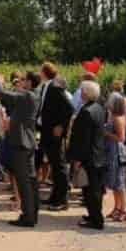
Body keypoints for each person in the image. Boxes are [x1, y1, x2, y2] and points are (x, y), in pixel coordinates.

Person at [0, 71, 41, 227]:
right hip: (27, 143)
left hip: (22, 144)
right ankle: (32, 214)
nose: (21, 81)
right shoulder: (30, 96)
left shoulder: (28, 96)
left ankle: (28, 217)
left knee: (24, 182)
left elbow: (3, 94)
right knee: (31, 180)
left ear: (30, 82)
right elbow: (10, 100)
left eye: (24, 80)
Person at [69, 80, 107, 229]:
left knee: (91, 191)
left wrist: (78, 159)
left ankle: (96, 219)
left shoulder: (86, 111)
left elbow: (83, 138)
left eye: (83, 90)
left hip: (89, 156)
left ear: (87, 93)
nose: (81, 93)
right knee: (93, 189)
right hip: (97, 153)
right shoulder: (98, 107)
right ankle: (93, 215)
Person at [40, 63, 74, 211]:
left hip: (55, 133)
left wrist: (61, 125)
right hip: (47, 130)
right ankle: (55, 196)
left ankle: (62, 199)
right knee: (55, 165)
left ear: (44, 72)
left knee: (59, 166)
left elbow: (69, 108)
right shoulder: (46, 86)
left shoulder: (55, 87)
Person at [104, 91, 126, 222]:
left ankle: (124, 210)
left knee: (119, 183)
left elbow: (121, 138)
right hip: (112, 151)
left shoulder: (118, 118)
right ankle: (117, 208)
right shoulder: (114, 116)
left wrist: (106, 134)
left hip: (116, 152)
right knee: (115, 183)